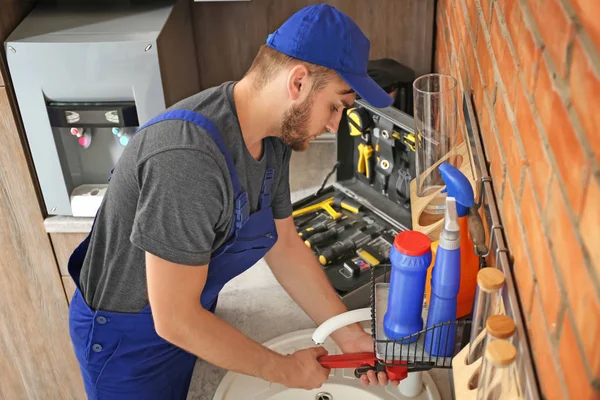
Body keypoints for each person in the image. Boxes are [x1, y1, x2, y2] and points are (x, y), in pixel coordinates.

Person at [67, 4, 397, 399]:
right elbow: (174, 319)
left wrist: (348, 334)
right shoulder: (187, 160)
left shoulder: (274, 139)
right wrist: (283, 370)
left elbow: (285, 245)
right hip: (127, 345)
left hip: (193, 317)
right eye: (335, 106)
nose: (334, 125)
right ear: (298, 83)